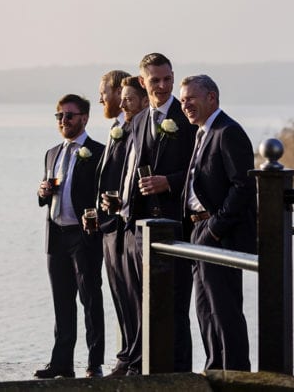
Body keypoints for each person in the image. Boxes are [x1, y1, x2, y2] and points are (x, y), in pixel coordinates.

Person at [114, 53, 195, 375]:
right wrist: (121, 206)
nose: (162, 86)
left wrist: (168, 182)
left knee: (175, 306)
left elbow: (196, 169)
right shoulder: (140, 118)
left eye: (167, 79)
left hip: (174, 226)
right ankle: (148, 369)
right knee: (144, 304)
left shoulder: (185, 116)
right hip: (139, 227)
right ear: (142, 82)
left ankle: (180, 374)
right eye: (155, 81)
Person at [178, 75, 255, 371]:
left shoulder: (228, 132)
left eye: (190, 99)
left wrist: (215, 228)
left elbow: (243, 186)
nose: (185, 105)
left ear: (212, 98)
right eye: (182, 100)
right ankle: (214, 368)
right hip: (197, 230)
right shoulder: (201, 132)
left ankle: (235, 373)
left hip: (218, 233)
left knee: (224, 309)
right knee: (204, 308)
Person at [35, 94, 106, 379]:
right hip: (56, 236)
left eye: (69, 116)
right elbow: (46, 194)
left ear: (84, 118)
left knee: (90, 300)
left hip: (83, 235)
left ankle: (94, 363)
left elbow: (104, 196)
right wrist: (42, 193)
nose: (64, 121)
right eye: (59, 116)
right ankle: (61, 363)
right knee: (62, 301)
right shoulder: (52, 153)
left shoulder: (98, 152)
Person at [93, 71, 136, 376]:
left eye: (103, 92)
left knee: (131, 295)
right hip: (108, 223)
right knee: (118, 294)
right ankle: (126, 356)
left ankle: (133, 359)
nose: (101, 99)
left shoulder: (134, 127)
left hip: (124, 224)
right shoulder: (115, 127)